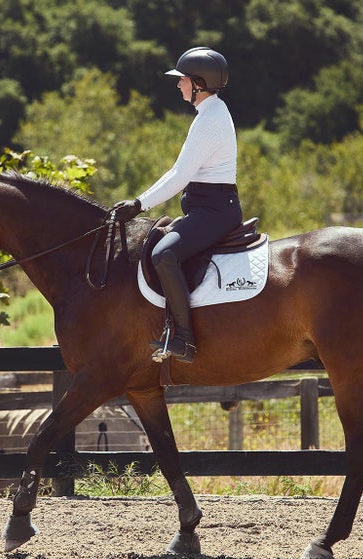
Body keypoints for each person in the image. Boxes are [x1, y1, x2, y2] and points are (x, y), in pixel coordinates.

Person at [113, 46, 242, 364]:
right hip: (207, 208)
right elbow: (178, 172)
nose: (178, 85)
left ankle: (184, 339)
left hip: (215, 211)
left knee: (164, 254)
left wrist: (139, 205)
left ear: (198, 83)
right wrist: (138, 202)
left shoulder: (210, 119)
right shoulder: (210, 113)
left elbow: (180, 175)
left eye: (182, 79)